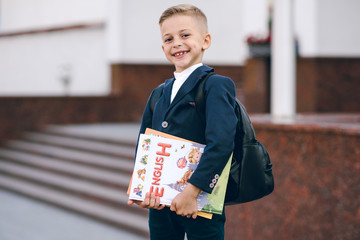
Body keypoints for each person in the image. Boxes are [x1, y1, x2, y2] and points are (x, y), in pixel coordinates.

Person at [128, 4, 237, 240]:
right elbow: (145, 142)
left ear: (205, 41)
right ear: (163, 47)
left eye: (185, 35)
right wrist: (142, 188)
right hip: (160, 204)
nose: (176, 43)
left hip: (199, 202)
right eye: (168, 39)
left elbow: (221, 144)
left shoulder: (215, 85)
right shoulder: (158, 93)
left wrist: (193, 190)